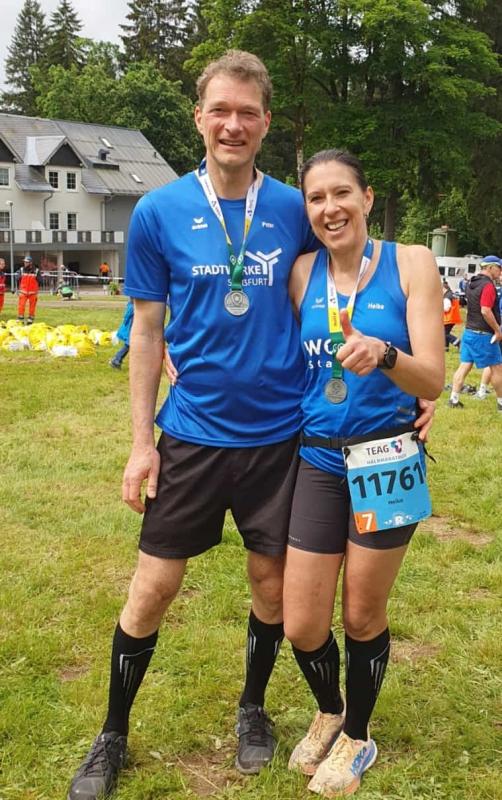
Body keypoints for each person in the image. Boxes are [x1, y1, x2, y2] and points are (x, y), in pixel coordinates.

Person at [67, 52, 434, 800]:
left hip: (282, 440)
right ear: (198, 118)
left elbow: (351, 280)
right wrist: (140, 444)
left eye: (247, 112)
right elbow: (146, 329)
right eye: (220, 110)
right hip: (192, 434)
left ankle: (254, 709)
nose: (233, 124)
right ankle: (111, 735)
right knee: (153, 588)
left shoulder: (296, 209)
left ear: (266, 123)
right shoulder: (158, 211)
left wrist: (411, 383)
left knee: (273, 588)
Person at [282, 149, 444, 796]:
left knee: (361, 613)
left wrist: (385, 353)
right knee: (301, 622)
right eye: (316, 198)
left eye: (342, 193)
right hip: (318, 457)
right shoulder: (301, 273)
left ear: (368, 198)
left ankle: (357, 734)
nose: (330, 208)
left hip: (388, 457)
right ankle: (330, 709)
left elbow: (432, 378)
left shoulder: (412, 263)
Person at [448, 255, 502, 412]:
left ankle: (453, 399)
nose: (500, 272)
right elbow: (485, 310)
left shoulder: (471, 282)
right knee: (497, 368)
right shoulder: (488, 286)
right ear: (490, 267)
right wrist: (497, 330)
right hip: (483, 334)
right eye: (499, 268)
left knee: (464, 365)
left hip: (469, 331)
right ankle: (501, 403)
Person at [15, 255, 44, 324]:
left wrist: (36, 287)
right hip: (23, 292)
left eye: (27, 262)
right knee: (21, 305)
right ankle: (21, 319)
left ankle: (30, 319)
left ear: (31, 263)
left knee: (32, 307)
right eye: (24, 262)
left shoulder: (36, 271)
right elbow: (17, 278)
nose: (25, 263)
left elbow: (41, 281)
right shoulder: (21, 270)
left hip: (33, 293)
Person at [109, 299, 134, 369]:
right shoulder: (133, 303)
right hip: (134, 324)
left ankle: (117, 359)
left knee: (131, 343)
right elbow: (128, 314)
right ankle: (116, 359)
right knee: (130, 343)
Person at [442, 280, 461, 351]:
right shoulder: (452, 294)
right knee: (446, 333)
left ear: (443, 288)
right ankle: (445, 348)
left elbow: (446, 308)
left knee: (444, 333)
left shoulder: (447, 297)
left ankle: (458, 342)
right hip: (453, 317)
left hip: (449, 318)